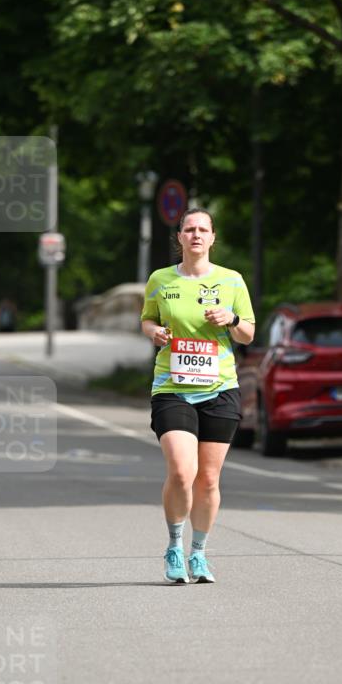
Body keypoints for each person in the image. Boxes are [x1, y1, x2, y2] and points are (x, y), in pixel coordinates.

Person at [141, 208, 256, 584]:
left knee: (207, 479)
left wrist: (233, 321)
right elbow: (147, 319)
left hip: (220, 388)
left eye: (202, 229)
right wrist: (154, 332)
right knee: (181, 470)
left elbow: (249, 334)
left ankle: (199, 553)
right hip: (173, 387)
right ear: (179, 237)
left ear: (212, 237)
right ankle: (174, 545)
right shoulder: (160, 280)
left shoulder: (232, 281)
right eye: (189, 229)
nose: (195, 235)